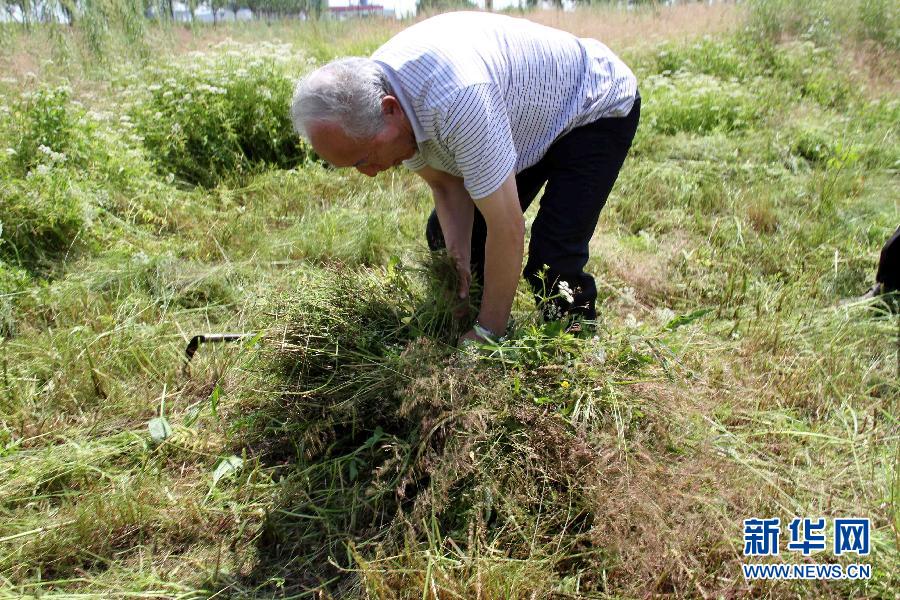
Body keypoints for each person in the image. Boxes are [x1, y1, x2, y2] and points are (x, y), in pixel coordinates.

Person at [291, 11, 639, 344]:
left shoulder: (456, 101)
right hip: (523, 116)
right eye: (353, 166)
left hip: (592, 103)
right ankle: (474, 314)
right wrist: (459, 279)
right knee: (446, 236)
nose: (368, 173)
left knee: (552, 255)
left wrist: (488, 334)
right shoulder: (376, 92)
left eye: (364, 158)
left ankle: (573, 340)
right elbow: (446, 186)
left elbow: (507, 226)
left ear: (390, 109)